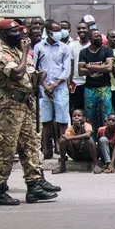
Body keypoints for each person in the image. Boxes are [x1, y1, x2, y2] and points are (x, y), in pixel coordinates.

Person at [0, 19, 59, 205]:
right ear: (2, 35)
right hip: (8, 105)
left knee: (31, 144)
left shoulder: (17, 50)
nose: (18, 36)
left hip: (25, 103)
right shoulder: (0, 53)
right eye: (13, 33)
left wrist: (37, 77)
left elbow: (27, 74)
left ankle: (34, 185)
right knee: (6, 148)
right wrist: (26, 51)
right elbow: (16, 74)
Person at [35, 20, 72, 160]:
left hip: (60, 88)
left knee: (62, 121)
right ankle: (46, 150)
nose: (60, 32)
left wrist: (54, 85)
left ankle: (63, 151)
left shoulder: (64, 48)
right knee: (46, 121)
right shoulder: (39, 47)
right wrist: (45, 86)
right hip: (44, 89)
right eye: (56, 30)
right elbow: (36, 69)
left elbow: (66, 70)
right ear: (49, 32)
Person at [79, 29, 114, 133]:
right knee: (89, 116)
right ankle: (91, 142)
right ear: (90, 38)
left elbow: (109, 68)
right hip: (90, 88)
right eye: (96, 36)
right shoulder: (84, 52)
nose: (99, 38)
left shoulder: (107, 50)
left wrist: (89, 66)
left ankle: (105, 140)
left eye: (100, 36)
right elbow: (81, 71)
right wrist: (101, 66)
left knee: (107, 116)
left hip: (104, 87)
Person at [57, 109, 98, 174]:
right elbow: (75, 144)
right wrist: (76, 131)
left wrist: (72, 137)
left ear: (84, 118)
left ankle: (96, 165)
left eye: (79, 115)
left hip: (87, 154)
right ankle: (62, 166)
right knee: (62, 140)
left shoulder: (87, 125)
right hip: (75, 154)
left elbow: (88, 134)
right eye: (74, 116)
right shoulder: (70, 129)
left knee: (88, 139)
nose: (76, 117)